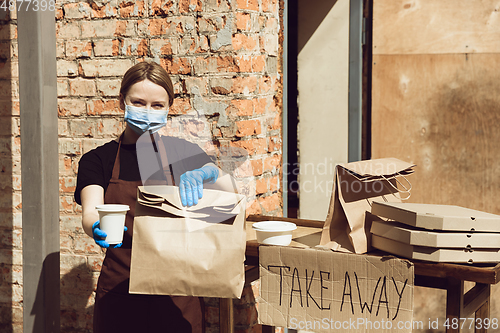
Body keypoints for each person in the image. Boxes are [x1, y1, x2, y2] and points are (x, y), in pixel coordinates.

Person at [74, 61, 233, 332]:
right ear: (122, 102)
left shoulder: (183, 152)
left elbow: (231, 200)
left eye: (157, 105)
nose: (148, 111)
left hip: (177, 296)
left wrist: (209, 173)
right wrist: (95, 227)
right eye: (139, 102)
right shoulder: (97, 160)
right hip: (120, 293)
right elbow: (90, 212)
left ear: (169, 108)